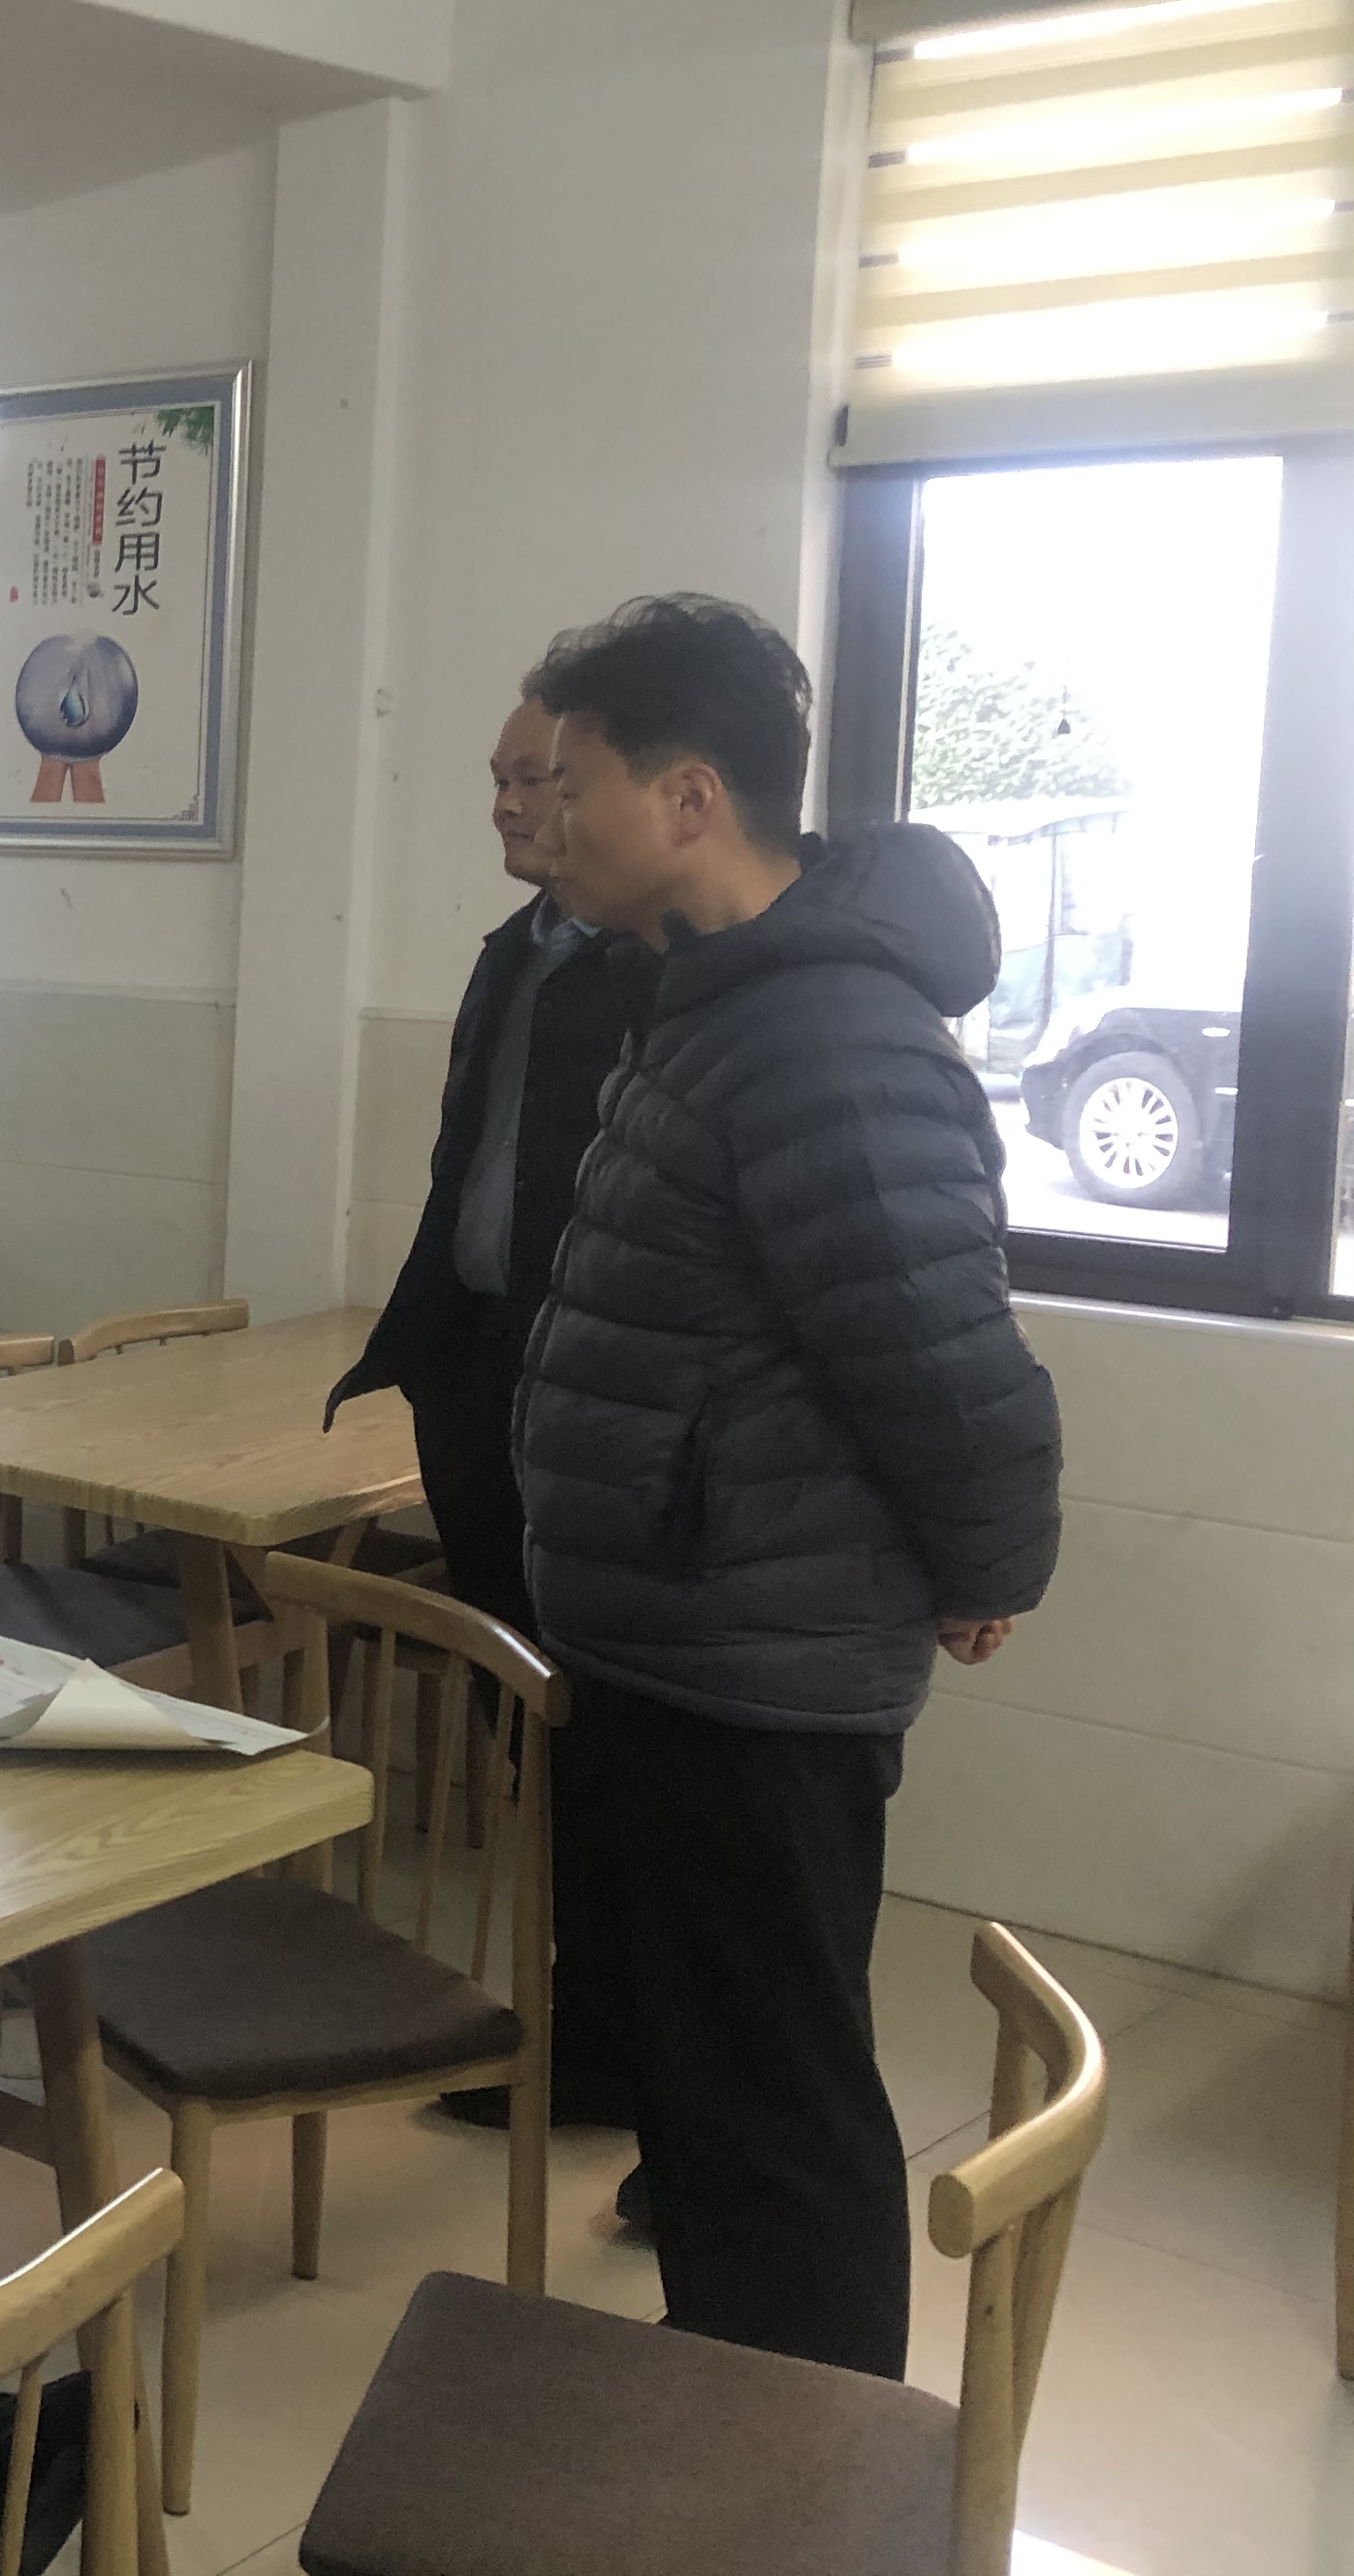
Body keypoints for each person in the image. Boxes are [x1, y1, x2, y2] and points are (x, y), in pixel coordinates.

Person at [514, 590, 1060, 2380]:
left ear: (689, 798)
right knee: (713, 2101)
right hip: (684, 1639)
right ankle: (732, 2438)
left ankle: (812, 2470)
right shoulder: (716, 1001)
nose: (548, 813)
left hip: (754, 1669)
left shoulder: (824, 1033)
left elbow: (941, 1351)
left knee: (775, 2109)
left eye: (575, 778)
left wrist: (983, 1560)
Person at [330, 691, 655, 2140]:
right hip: (473, 1374)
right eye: (500, 778)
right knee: (531, 1721)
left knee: (610, 1740)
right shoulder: (512, 954)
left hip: (582, 1389)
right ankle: (582, 2033)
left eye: (538, 779)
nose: (510, 806)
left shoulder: (661, 973)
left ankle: (636, 2057)